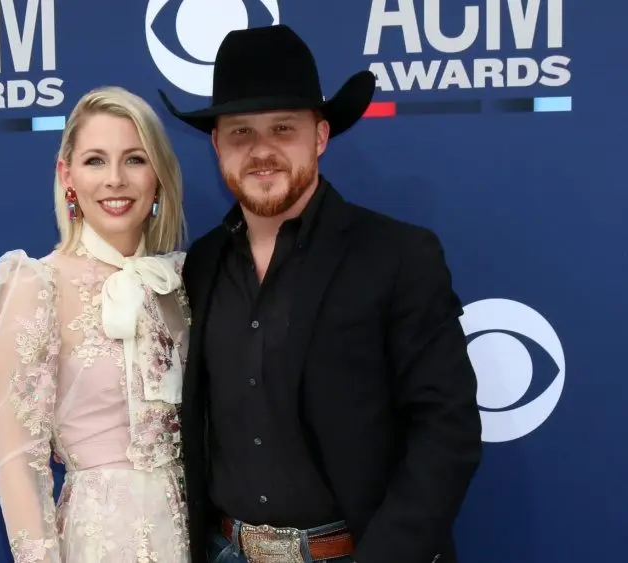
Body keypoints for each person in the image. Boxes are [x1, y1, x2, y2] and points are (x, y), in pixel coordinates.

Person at [158, 25, 483, 563]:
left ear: (320, 136)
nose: (261, 151)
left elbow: (447, 430)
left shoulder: (398, 255)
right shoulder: (202, 263)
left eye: (282, 128)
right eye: (240, 132)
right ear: (216, 145)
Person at [0, 86, 192, 563]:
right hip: (98, 543)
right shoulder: (36, 284)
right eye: (95, 160)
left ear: (158, 177)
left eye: (135, 159)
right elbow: (17, 460)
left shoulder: (177, 283)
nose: (115, 179)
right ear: (66, 175)